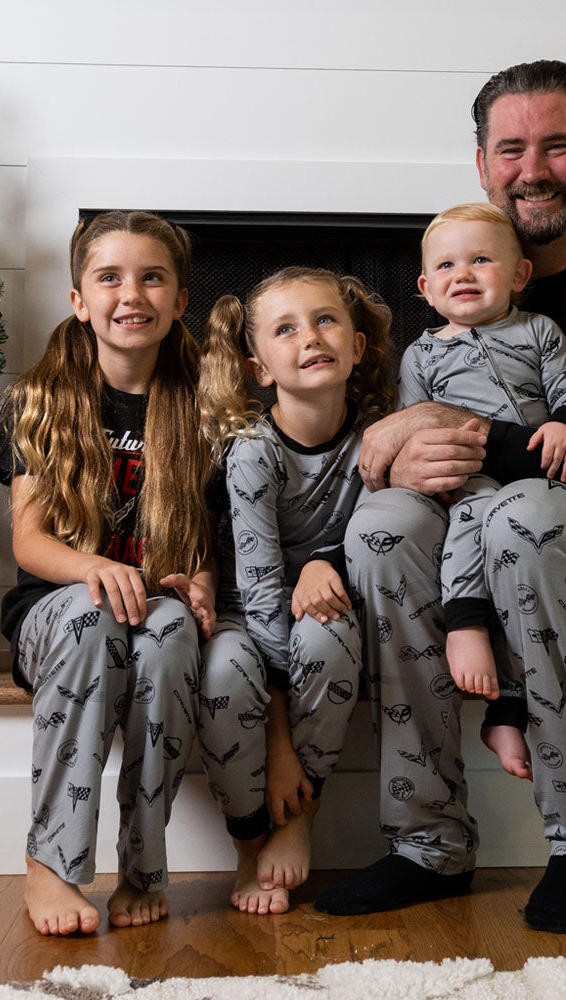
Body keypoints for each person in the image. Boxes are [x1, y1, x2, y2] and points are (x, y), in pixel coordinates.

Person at [314, 60, 566, 934]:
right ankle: (426, 842)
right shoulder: (457, 277)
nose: (532, 168)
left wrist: (436, 419)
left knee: (527, 510)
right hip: (492, 564)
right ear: (482, 165)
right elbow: (402, 456)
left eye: (558, 145)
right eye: (511, 148)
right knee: (385, 526)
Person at [0, 210, 228, 935]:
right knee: (90, 614)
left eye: (152, 277)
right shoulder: (41, 401)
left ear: (179, 301)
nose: (131, 293)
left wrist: (199, 580)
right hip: (59, 619)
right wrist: (95, 568)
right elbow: (29, 540)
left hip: (152, 608)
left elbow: (203, 536)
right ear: (80, 299)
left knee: (173, 629)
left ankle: (142, 866)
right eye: (109, 277)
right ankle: (50, 865)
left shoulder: (198, 407)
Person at [197, 266, 396, 912]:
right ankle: (252, 838)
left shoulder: (376, 438)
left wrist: (325, 561)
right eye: (286, 329)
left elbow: (384, 532)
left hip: (326, 607)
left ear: (357, 346)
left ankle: (299, 815)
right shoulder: (253, 451)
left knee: (331, 629)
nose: (310, 337)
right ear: (260, 368)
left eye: (326, 320)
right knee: (226, 673)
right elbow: (258, 599)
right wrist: (279, 748)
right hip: (241, 612)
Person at [404, 202, 566, 777]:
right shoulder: (423, 353)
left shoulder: (539, 331)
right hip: (469, 479)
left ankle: (506, 711)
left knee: (524, 579)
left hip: (539, 478)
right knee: (478, 515)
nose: (462, 274)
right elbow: (411, 427)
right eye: (446, 266)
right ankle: (464, 627)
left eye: (480, 260)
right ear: (426, 288)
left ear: (518, 276)